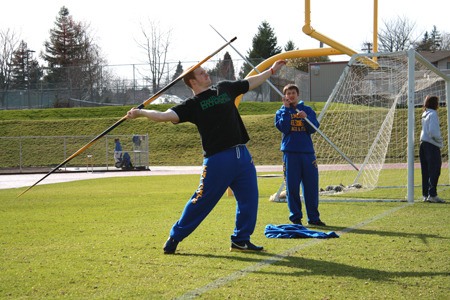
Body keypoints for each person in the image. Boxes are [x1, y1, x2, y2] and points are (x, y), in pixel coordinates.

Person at [127, 59, 287, 254]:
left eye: (205, 71)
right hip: (218, 160)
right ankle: (175, 237)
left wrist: (271, 71)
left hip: (242, 155)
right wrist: (140, 113)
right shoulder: (191, 105)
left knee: (249, 199)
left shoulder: (224, 88)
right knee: (201, 200)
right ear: (192, 82)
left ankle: (241, 240)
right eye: (202, 73)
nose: (207, 74)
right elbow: (163, 116)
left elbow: (251, 82)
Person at [274, 83, 326, 226]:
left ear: (298, 95)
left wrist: (305, 118)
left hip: (307, 153)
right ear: (285, 96)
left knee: (311, 187)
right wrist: (285, 110)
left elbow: (313, 128)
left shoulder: (307, 110)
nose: (291, 96)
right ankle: (296, 217)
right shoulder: (281, 112)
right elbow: (283, 128)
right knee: (292, 187)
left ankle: (314, 218)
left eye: (293, 93)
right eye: (288, 93)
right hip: (290, 154)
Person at [420, 95, 445, 203]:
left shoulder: (424, 114)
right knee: (435, 170)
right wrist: (440, 140)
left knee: (425, 171)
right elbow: (433, 132)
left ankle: (425, 194)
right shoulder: (433, 114)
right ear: (435, 103)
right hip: (431, 145)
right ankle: (432, 194)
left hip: (423, 145)